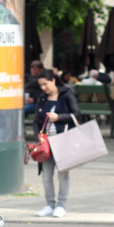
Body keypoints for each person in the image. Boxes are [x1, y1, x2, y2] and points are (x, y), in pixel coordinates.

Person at [32, 69, 81, 218]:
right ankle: (49, 204)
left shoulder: (66, 94)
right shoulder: (42, 98)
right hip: (46, 143)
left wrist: (59, 117)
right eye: (41, 85)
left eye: (45, 84)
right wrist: (38, 138)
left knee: (63, 173)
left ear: (53, 81)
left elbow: (77, 115)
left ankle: (61, 205)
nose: (43, 88)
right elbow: (36, 121)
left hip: (63, 140)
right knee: (46, 175)